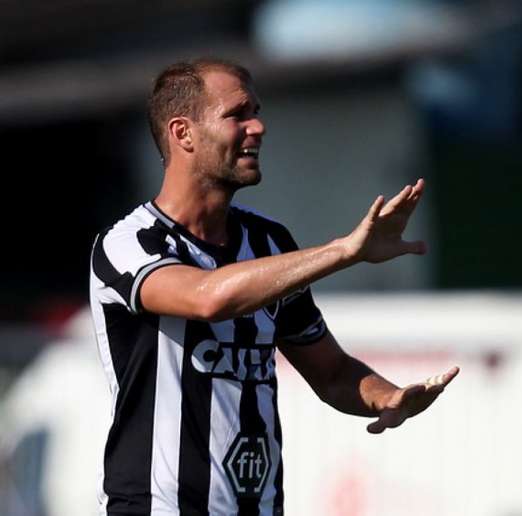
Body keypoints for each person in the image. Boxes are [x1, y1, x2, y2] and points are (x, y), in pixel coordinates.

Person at [89, 57, 459, 516]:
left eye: (256, 111)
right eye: (237, 114)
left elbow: (331, 372)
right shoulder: (129, 243)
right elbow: (209, 298)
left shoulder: (268, 243)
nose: (258, 127)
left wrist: (388, 396)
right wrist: (345, 251)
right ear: (182, 133)